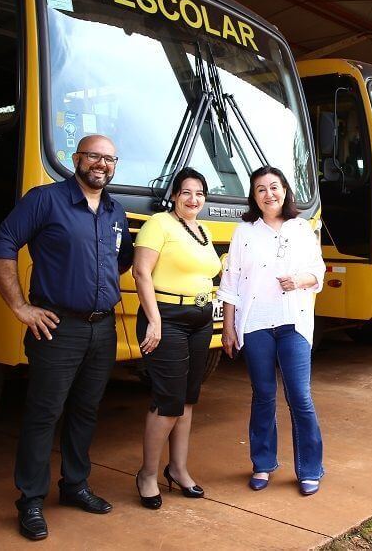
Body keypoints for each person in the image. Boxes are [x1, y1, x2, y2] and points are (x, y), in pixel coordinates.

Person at [0, 134, 132, 541]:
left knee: (86, 410)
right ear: (76, 159)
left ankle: (74, 486)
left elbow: (119, 260)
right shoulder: (44, 199)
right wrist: (20, 307)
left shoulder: (115, 211)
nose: (101, 165)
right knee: (44, 413)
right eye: (94, 157)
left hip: (101, 327)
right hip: (56, 326)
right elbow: (2, 245)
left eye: (109, 159)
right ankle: (30, 499)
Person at [219, 165, 326, 495]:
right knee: (263, 395)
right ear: (254, 195)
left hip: (292, 321)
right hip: (255, 324)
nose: (269, 194)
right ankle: (263, 464)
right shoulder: (245, 232)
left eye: (274, 187)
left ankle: (310, 468)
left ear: (285, 191)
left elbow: (317, 271)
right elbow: (231, 280)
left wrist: (299, 280)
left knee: (300, 396)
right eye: (261, 189)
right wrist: (228, 327)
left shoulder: (301, 228)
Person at [132, 167, 222, 509]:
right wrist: (153, 321)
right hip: (165, 317)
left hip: (199, 319)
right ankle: (146, 474)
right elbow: (141, 272)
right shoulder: (158, 224)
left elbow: (206, 271)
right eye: (186, 192)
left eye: (199, 193)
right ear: (173, 195)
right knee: (167, 400)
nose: (194, 199)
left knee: (186, 399)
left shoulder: (203, 229)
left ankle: (178, 469)